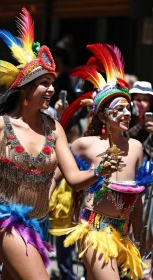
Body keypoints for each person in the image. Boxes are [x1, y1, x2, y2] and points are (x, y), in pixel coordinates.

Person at [0, 9, 119, 279]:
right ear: (25, 90)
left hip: (35, 223)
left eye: (52, 83)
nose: (51, 89)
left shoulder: (56, 129)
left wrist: (100, 171)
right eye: (44, 83)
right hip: (3, 218)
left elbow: (74, 178)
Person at [53, 44, 148, 280]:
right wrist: (41, 209)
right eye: (120, 109)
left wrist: (140, 234)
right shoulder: (85, 144)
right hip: (94, 230)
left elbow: (137, 198)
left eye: (129, 108)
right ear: (104, 115)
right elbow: (55, 170)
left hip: (122, 233)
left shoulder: (135, 147)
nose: (127, 113)